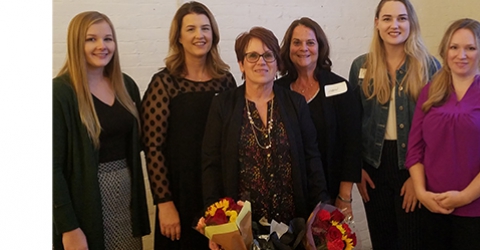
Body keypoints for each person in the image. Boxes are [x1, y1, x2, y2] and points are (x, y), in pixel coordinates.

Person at [405, 18, 480, 250]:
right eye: (454, 47)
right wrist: (421, 193)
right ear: (445, 51)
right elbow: (415, 149)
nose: (461, 55)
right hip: (434, 205)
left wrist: (465, 197)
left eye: (470, 48)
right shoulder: (431, 91)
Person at [201, 26, 329, 230]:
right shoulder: (223, 105)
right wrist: (215, 221)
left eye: (268, 55)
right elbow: (211, 166)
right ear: (241, 64)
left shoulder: (295, 104)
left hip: (293, 224)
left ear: (277, 63)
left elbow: (312, 159)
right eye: (252, 56)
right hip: (242, 225)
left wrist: (322, 213)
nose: (261, 62)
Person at [140, 1, 236, 249]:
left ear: (213, 34)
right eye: (191, 29)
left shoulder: (225, 81)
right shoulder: (164, 84)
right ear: (179, 37)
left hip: (218, 194)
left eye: (205, 28)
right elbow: (153, 147)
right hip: (179, 196)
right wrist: (164, 202)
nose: (199, 35)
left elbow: (235, 139)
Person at [53, 11, 150, 250]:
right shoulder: (60, 93)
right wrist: (69, 228)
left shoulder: (126, 85)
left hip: (126, 199)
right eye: (91, 39)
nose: (102, 46)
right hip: (86, 202)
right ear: (76, 43)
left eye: (108, 38)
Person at [348, 0, 440, 249]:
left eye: (401, 18)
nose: (394, 25)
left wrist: (418, 178)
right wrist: (357, 168)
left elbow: (437, 130)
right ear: (377, 23)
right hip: (373, 168)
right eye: (387, 18)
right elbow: (352, 123)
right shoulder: (361, 66)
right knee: (382, 240)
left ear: (411, 23)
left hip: (412, 166)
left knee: (413, 241)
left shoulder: (429, 67)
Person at [276, 17, 361, 217]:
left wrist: (345, 195)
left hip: (331, 192)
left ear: (319, 47)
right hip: (289, 195)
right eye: (296, 42)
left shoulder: (340, 88)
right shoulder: (278, 90)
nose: (303, 48)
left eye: (310, 42)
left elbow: (352, 144)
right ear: (288, 48)